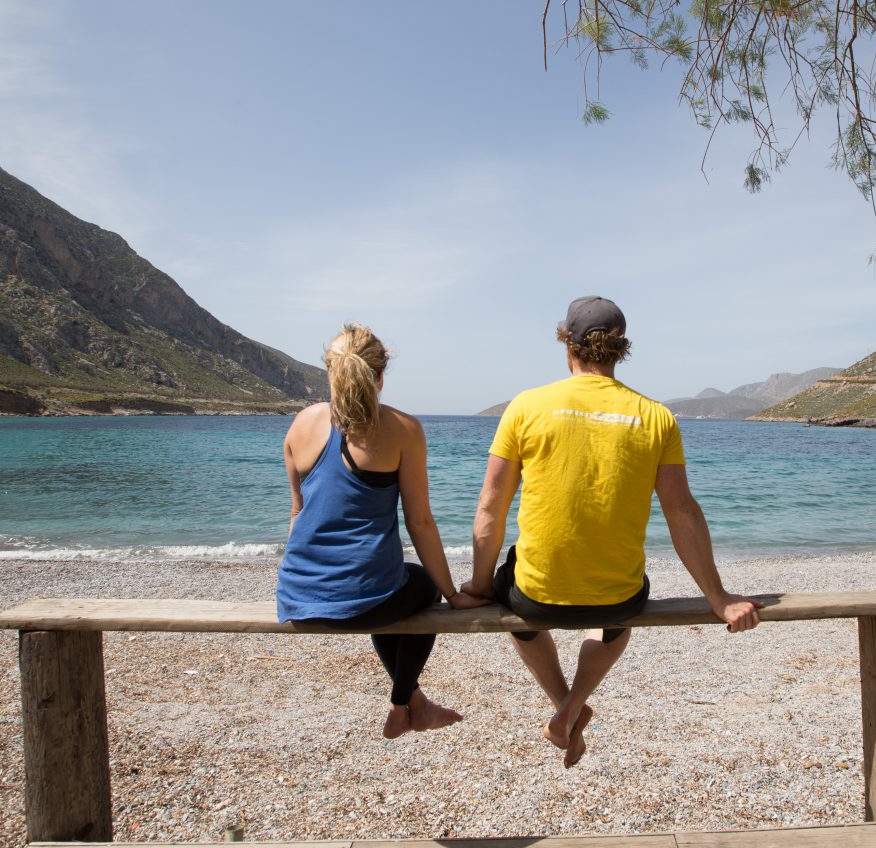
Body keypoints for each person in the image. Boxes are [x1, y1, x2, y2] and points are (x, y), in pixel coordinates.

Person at [462, 296, 763, 767]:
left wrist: (481, 586)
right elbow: (681, 512)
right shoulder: (656, 416)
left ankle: (565, 706)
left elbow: (489, 509)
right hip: (617, 596)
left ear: (568, 346)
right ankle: (571, 705)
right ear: (620, 350)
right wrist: (718, 597)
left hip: (532, 597)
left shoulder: (525, 407)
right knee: (615, 622)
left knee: (517, 611)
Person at [277, 323, 489, 739]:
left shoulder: (302, 423)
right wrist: (451, 594)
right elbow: (421, 522)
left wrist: (308, 578)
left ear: (331, 372)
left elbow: (297, 513)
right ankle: (403, 702)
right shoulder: (403, 428)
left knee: (385, 581)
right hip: (363, 600)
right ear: (380, 376)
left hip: (296, 596)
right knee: (419, 585)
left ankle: (417, 704)